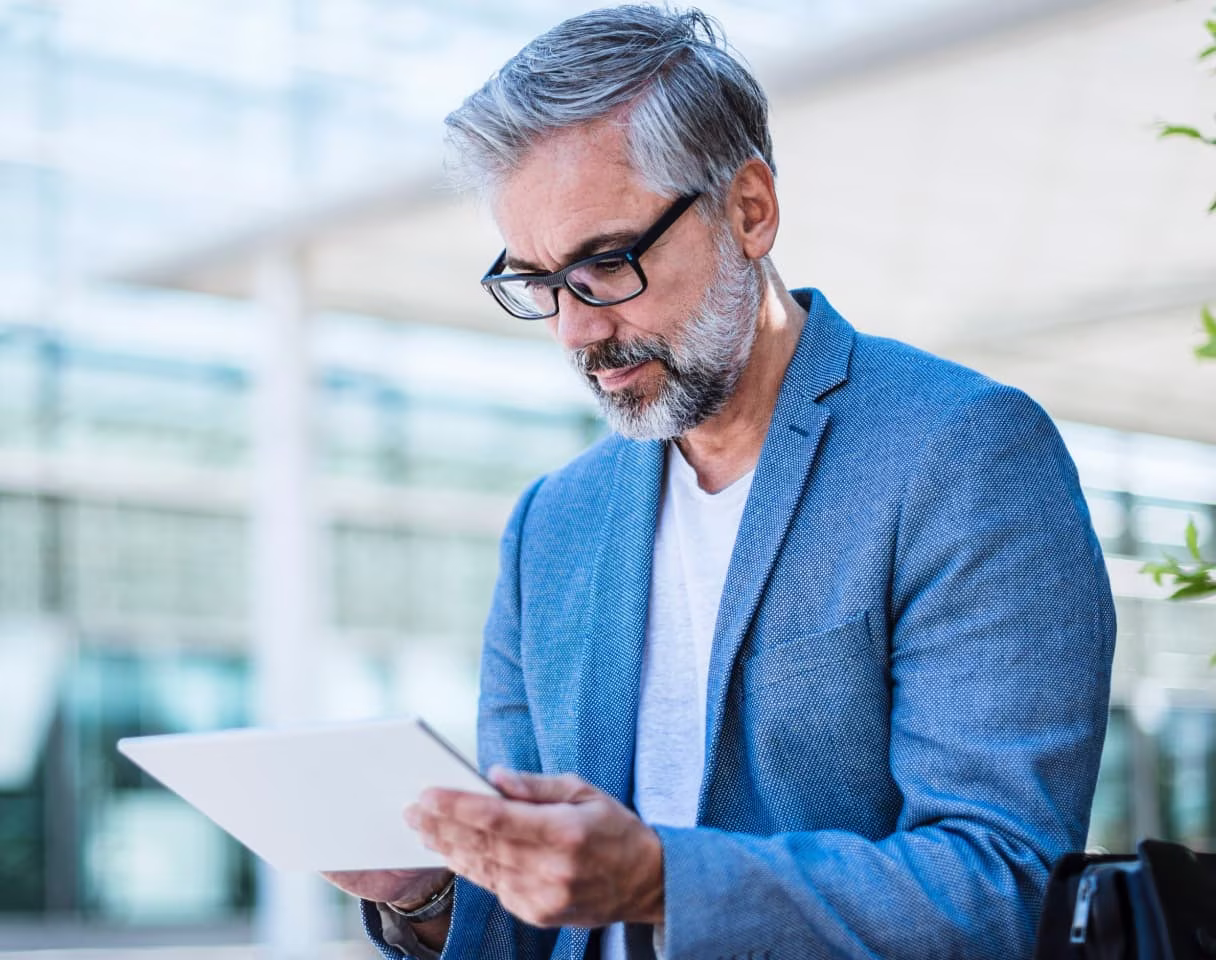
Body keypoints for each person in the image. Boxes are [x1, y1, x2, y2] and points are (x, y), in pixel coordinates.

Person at [324, 6, 1117, 959]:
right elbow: (529, 921)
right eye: (537, 283)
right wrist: (427, 895)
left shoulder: (962, 453)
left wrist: (663, 881)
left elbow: (1004, 882)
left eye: (604, 265)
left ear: (749, 210)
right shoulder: (552, 525)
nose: (574, 332)